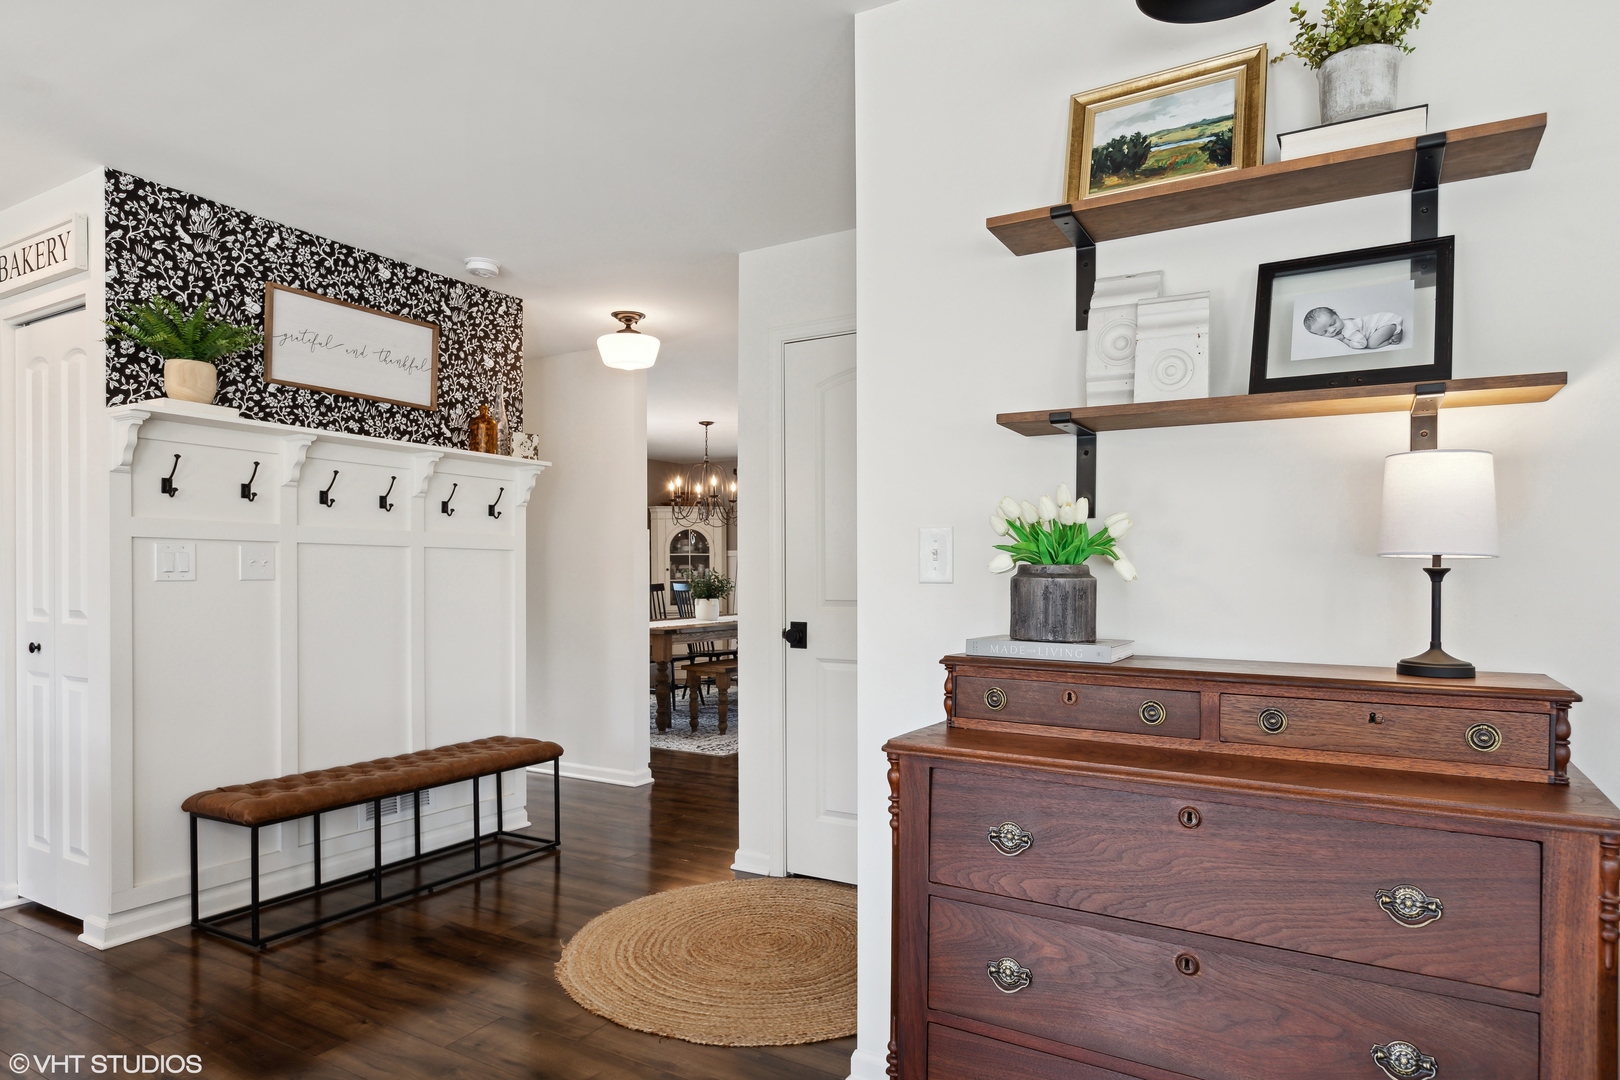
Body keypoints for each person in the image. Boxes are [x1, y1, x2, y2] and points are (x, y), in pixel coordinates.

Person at [1302, 306, 1404, 350]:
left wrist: (1345, 340)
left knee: (1371, 344)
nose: (1332, 330)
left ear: (1337, 316)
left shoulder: (1348, 331)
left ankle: (1396, 332)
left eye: (1333, 323)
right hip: (1383, 320)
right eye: (1324, 332)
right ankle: (1394, 329)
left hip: (1386, 321)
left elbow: (1362, 344)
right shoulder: (1344, 322)